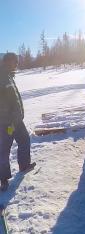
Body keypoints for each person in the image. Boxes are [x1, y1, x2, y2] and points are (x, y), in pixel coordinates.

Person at [0, 53, 36, 191]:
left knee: (25, 140)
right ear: (8, 61)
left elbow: (13, 99)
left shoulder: (8, 75)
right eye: (15, 62)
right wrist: (7, 117)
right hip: (6, 122)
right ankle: (3, 179)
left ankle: (24, 165)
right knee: (4, 149)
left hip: (16, 120)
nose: (17, 64)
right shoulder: (2, 76)